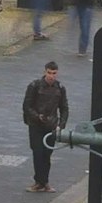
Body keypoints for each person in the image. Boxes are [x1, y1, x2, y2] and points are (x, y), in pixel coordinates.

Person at [22, 60, 69, 192]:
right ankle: (40, 181)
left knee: (47, 154)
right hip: (36, 125)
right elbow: (26, 106)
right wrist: (37, 116)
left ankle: (43, 181)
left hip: (51, 126)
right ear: (45, 72)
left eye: (54, 73)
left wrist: (61, 125)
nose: (51, 76)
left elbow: (64, 108)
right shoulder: (34, 86)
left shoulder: (60, 88)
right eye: (49, 73)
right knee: (38, 152)